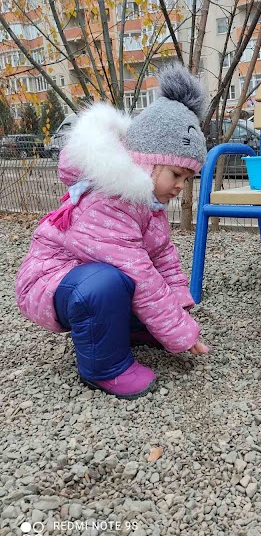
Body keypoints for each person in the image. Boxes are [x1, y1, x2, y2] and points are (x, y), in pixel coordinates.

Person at [15, 64, 209, 399]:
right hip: (51, 281)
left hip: (81, 274)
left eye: (187, 179)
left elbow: (163, 257)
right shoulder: (109, 203)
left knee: (120, 276)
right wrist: (180, 333)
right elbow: (141, 274)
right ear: (146, 161)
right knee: (107, 282)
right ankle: (105, 368)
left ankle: (134, 329)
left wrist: (179, 307)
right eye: (176, 174)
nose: (180, 186)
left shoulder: (146, 203)